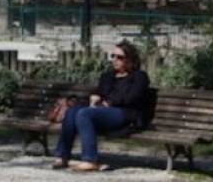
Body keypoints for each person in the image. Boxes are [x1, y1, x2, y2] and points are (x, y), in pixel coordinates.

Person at [53, 40, 150, 171]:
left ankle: (90, 160)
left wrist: (109, 102)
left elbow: (133, 97)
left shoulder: (139, 77)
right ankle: (62, 156)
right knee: (72, 111)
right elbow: (100, 92)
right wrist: (95, 97)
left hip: (125, 114)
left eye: (120, 57)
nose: (115, 60)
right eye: (113, 56)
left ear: (130, 60)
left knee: (84, 113)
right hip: (104, 112)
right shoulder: (108, 76)